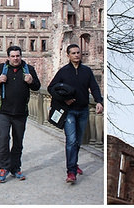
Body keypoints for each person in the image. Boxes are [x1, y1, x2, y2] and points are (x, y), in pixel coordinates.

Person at [47, 44, 104, 184]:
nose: (76, 55)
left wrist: (99, 101)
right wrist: (64, 99)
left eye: (78, 52)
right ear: (68, 55)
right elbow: (50, 88)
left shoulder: (87, 71)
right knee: (71, 140)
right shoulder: (64, 71)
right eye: (73, 53)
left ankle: (74, 163)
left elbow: (94, 87)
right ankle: (71, 171)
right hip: (69, 111)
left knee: (78, 141)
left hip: (83, 110)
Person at [0, 45, 41, 183]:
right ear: (8, 57)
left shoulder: (29, 69)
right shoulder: (1, 68)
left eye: (18, 56)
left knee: (18, 141)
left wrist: (31, 81)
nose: (16, 58)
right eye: (13, 56)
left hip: (21, 112)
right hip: (3, 111)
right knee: (3, 139)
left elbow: (37, 87)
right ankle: (4, 167)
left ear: (21, 56)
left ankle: (15, 167)